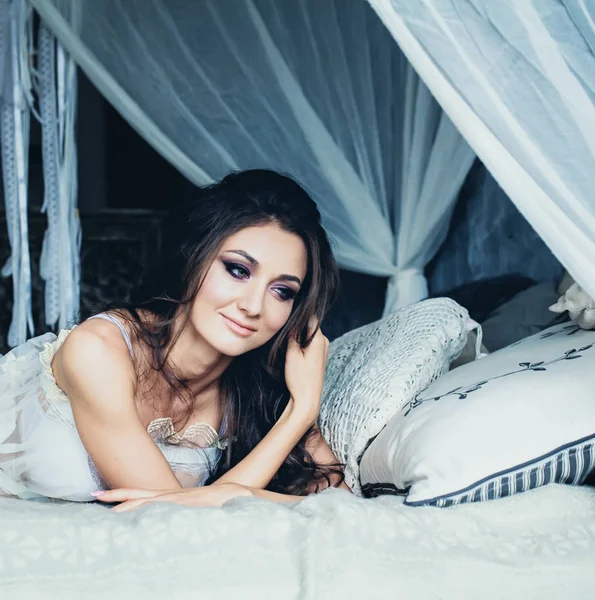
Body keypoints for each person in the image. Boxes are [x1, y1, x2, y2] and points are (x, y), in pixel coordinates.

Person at [0, 169, 351, 512]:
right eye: (238, 270)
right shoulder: (99, 349)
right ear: (193, 258)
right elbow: (176, 519)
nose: (253, 306)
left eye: (282, 291)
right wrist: (297, 415)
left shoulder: (262, 388)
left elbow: (348, 505)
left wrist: (300, 413)